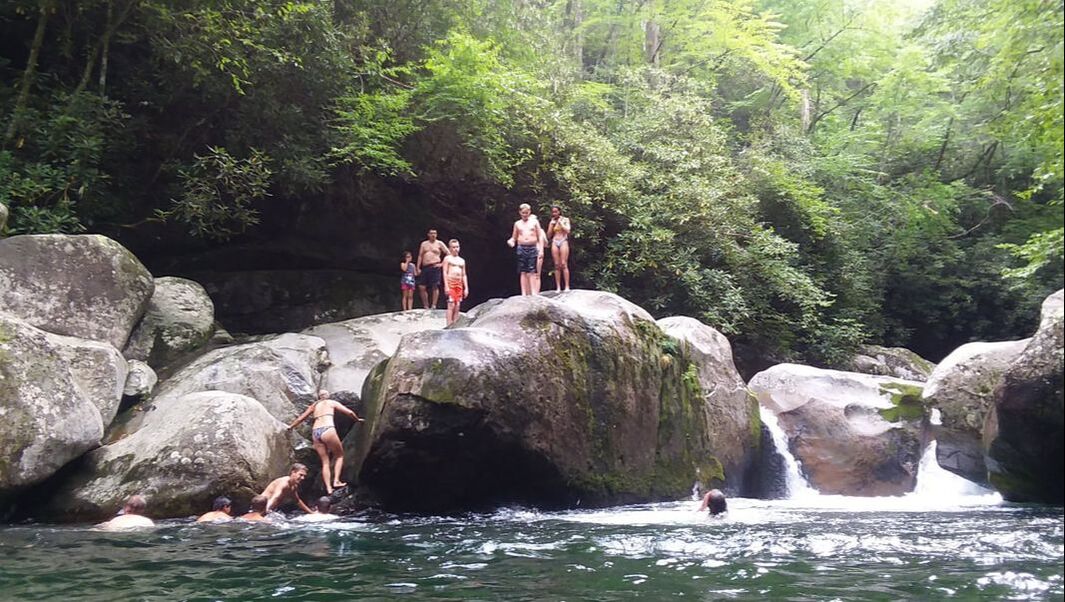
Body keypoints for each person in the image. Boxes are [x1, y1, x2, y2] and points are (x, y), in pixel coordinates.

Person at [288, 391, 365, 494]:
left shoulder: (315, 405)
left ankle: (328, 488)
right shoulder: (331, 402)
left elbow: (301, 418)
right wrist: (357, 420)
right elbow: (349, 412)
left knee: (325, 462)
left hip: (316, 432)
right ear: (328, 395)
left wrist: (291, 426)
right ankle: (336, 481)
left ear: (319, 397)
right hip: (328, 429)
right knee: (340, 455)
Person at [507, 203, 546, 296]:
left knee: (532, 270)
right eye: (523, 213)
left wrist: (541, 250)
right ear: (520, 212)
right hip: (521, 247)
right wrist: (511, 241)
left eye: (527, 213)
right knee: (523, 271)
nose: (525, 214)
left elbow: (540, 236)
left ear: (530, 212)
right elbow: (514, 237)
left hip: (532, 247)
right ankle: (523, 293)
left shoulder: (534, 222)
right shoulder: (517, 224)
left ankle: (533, 293)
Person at [416, 229, 450, 309]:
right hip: (425, 267)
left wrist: (442, 264)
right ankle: (426, 305)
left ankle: (434, 305)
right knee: (421, 287)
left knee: (435, 286)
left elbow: (448, 253)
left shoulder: (439, 243)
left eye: (435, 233)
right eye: (431, 233)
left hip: (435, 266)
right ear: (428, 234)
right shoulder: (424, 244)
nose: (433, 235)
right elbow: (420, 255)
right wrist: (418, 267)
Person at [442, 238, 468, 326]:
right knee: (451, 304)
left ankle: (455, 324)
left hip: (459, 284)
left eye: (457, 247)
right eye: (453, 247)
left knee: (458, 305)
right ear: (449, 248)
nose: (455, 249)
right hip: (451, 283)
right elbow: (444, 272)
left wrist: (466, 288)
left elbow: (464, 274)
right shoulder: (447, 259)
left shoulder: (462, 260)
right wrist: (446, 286)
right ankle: (449, 324)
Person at [546, 205, 572, 292]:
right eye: (553, 212)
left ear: (559, 212)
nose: (554, 213)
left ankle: (567, 286)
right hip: (555, 241)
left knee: (564, 264)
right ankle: (558, 287)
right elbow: (549, 235)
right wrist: (551, 225)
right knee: (557, 265)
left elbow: (568, 230)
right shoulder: (552, 221)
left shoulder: (565, 219)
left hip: (563, 240)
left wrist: (561, 223)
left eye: (556, 211)